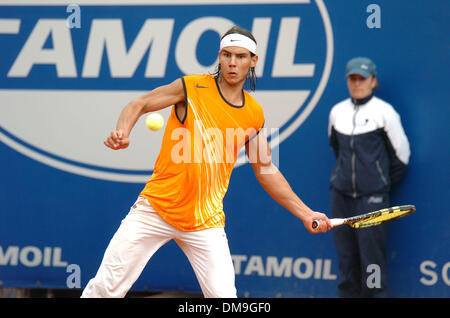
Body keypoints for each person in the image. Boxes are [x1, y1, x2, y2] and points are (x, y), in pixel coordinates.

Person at [81, 26, 331, 298]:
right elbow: (139, 104)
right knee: (104, 289)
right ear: (219, 57)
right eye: (226, 55)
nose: (232, 63)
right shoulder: (191, 87)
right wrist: (123, 131)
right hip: (156, 208)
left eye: (240, 56)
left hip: (205, 221)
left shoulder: (253, 113)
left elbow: (266, 170)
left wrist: (306, 213)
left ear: (253, 61)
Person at [328, 57, 411, 297]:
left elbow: (401, 157)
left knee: (372, 264)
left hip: (372, 200)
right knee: (346, 263)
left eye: (362, 79)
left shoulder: (385, 112)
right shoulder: (337, 112)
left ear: (373, 81)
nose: (357, 83)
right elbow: (336, 148)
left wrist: (377, 184)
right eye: (352, 79)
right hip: (341, 197)